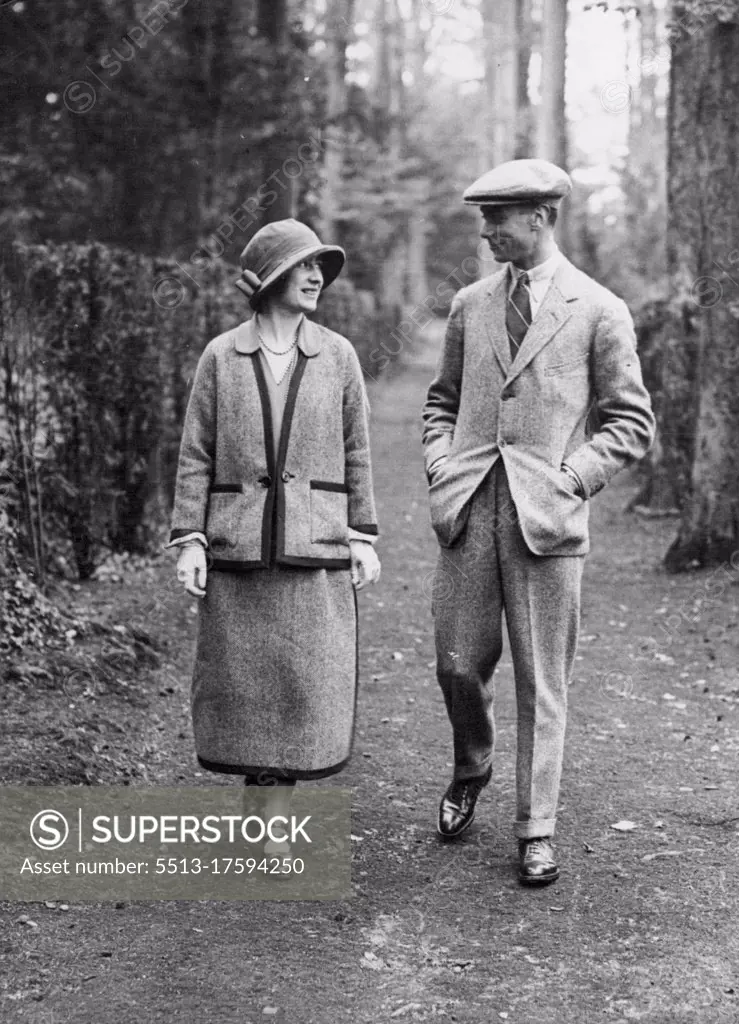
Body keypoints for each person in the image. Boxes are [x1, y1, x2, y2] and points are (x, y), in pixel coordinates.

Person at [422, 159, 655, 885]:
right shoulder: (470, 304)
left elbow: (629, 421)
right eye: (483, 218)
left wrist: (573, 477)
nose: (487, 231)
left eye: (499, 218)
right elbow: (441, 400)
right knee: (458, 663)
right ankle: (473, 765)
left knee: (541, 680)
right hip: (471, 506)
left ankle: (536, 827)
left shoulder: (598, 308)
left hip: (548, 516)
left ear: (541, 219)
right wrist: (442, 462)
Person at [169, 219, 380, 844]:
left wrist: (362, 536)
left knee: (299, 686)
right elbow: (195, 454)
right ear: (269, 279)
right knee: (244, 687)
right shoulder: (220, 356)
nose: (316, 277)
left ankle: (275, 819)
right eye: (302, 266)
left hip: (314, 547)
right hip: (239, 546)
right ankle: (255, 811)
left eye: (320, 267)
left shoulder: (337, 355)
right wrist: (190, 539)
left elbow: (357, 450)